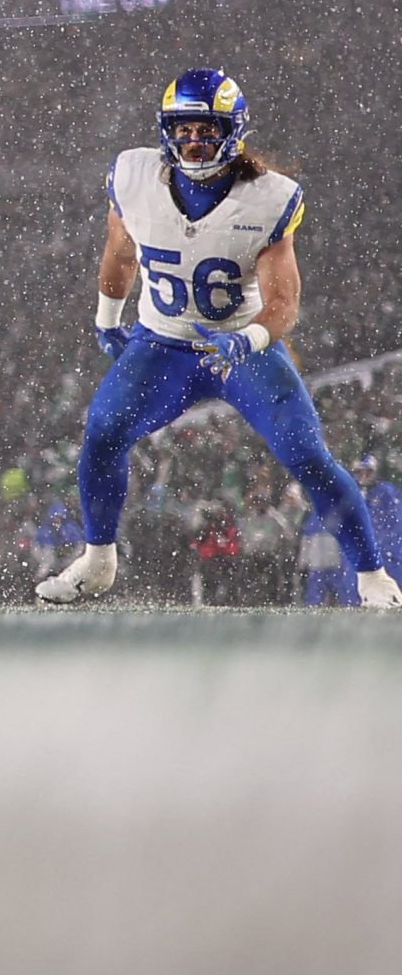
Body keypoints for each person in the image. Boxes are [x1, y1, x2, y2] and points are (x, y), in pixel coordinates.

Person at [37, 72, 397, 607]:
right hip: (162, 344)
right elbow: (120, 251)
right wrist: (107, 317)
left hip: (240, 347)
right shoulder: (134, 176)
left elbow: (283, 304)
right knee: (101, 433)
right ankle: (98, 560)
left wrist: (247, 341)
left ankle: (373, 576)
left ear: (233, 133)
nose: (194, 142)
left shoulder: (267, 199)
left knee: (307, 456)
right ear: (166, 131)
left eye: (207, 131)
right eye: (183, 131)